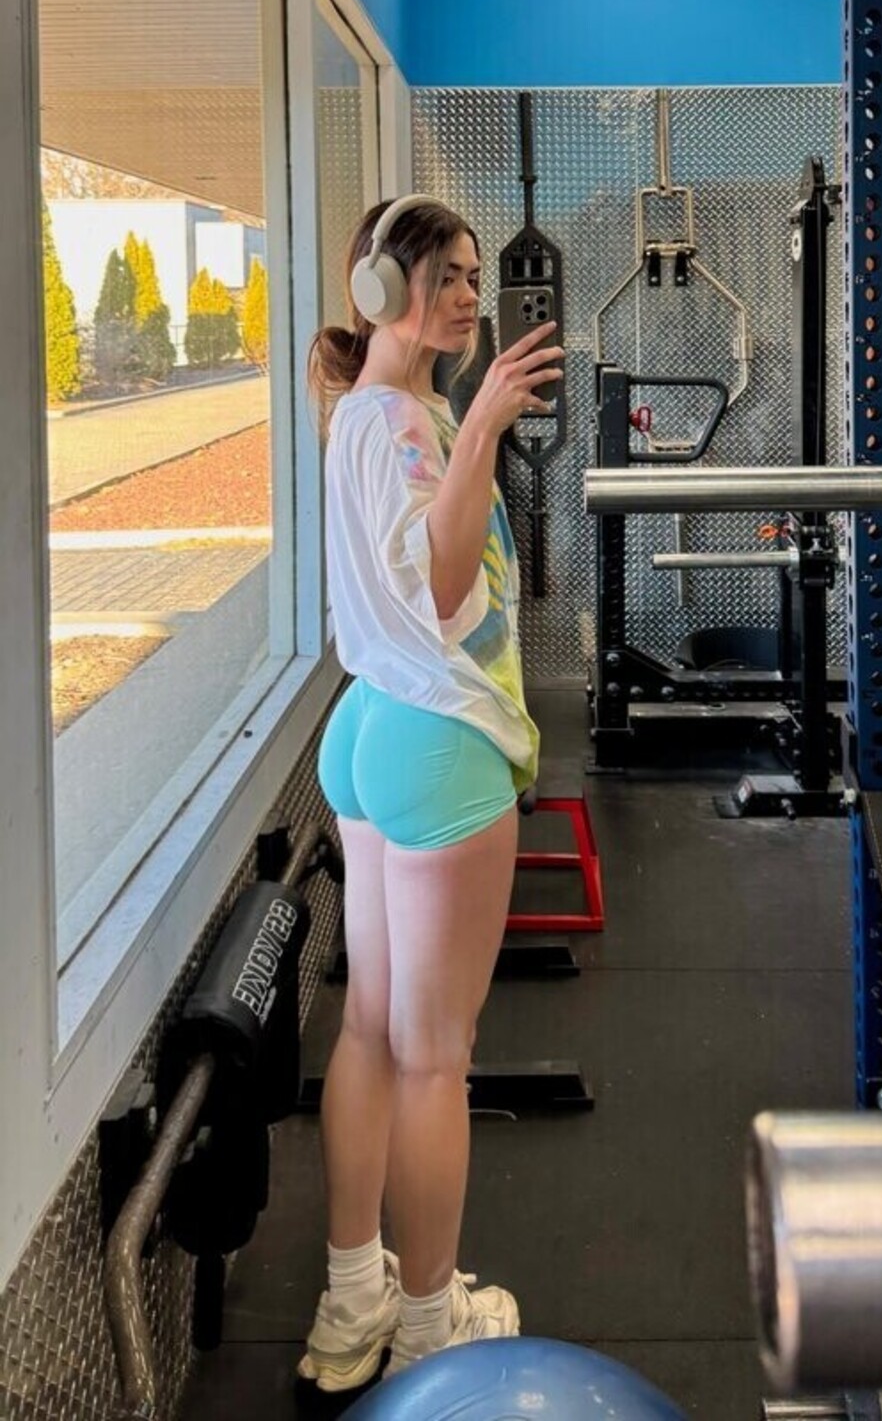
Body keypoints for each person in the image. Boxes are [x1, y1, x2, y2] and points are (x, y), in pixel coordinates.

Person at [299, 196, 564, 1393]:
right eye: (445, 275)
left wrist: (470, 422)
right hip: (437, 736)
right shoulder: (412, 423)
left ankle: (351, 1296)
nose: (467, 294)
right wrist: (485, 430)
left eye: (470, 275)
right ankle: (425, 1323)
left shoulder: (369, 410)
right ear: (379, 288)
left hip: (369, 728)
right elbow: (446, 585)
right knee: (433, 1057)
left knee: (370, 1028)